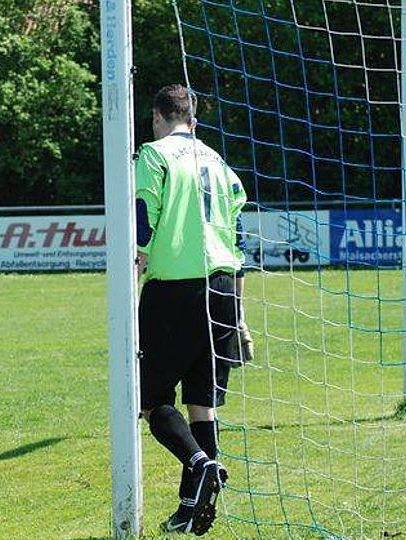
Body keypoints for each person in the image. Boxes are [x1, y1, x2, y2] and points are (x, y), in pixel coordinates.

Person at [135, 84, 251, 535]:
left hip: (175, 288)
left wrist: (137, 257)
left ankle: (201, 465)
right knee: (203, 406)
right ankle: (190, 509)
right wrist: (240, 315)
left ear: (158, 116)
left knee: (152, 401)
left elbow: (145, 215)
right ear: (193, 119)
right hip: (222, 288)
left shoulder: (155, 154)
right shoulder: (220, 163)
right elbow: (239, 238)